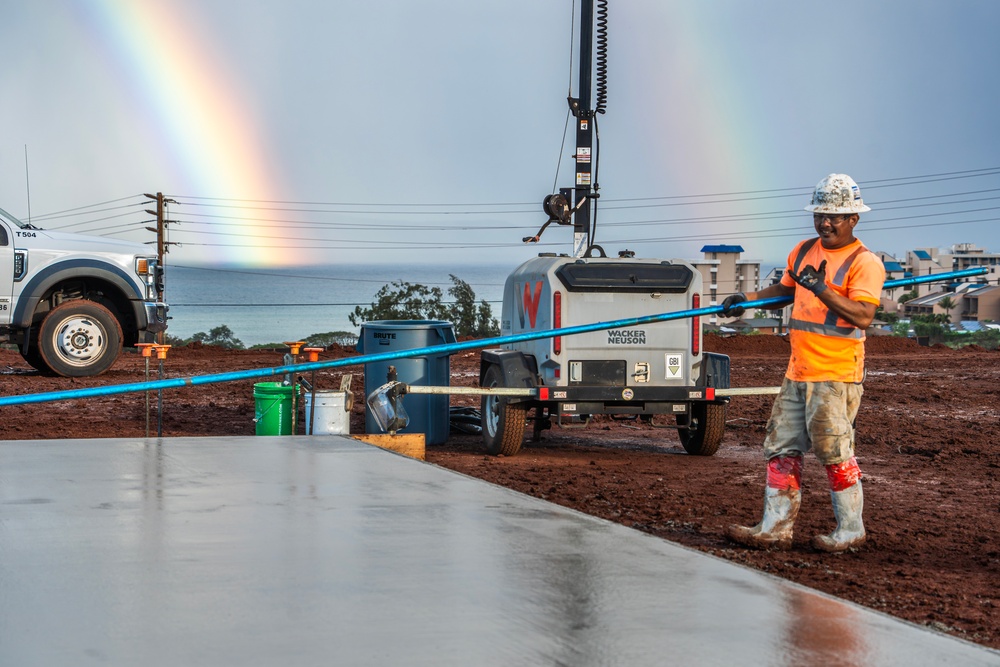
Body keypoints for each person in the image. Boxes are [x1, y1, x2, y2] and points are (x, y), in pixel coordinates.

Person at [720, 173, 886, 552]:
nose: (825, 223)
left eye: (835, 217)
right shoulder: (804, 250)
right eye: (820, 215)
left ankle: (850, 529)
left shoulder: (866, 263)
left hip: (836, 375)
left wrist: (821, 287)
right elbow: (783, 292)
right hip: (798, 371)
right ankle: (775, 527)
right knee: (780, 448)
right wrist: (744, 300)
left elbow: (862, 316)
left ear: (853, 219)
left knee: (834, 451)